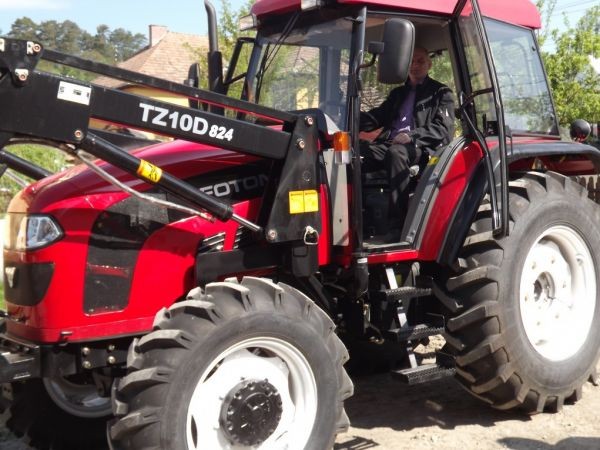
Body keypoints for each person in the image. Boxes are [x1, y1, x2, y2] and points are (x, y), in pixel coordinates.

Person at [360, 46, 455, 241]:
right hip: (390, 144)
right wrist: (349, 119)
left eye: (420, 61)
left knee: (396, 153)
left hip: (421, 148)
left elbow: (443, 128)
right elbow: (377, 117)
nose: (415, 65)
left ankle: (398, 225)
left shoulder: (441, 92)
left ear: (429, 65)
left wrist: (412, 135)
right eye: (411, 61)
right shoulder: (398, 94)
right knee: (354, 153)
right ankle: (360, 221)